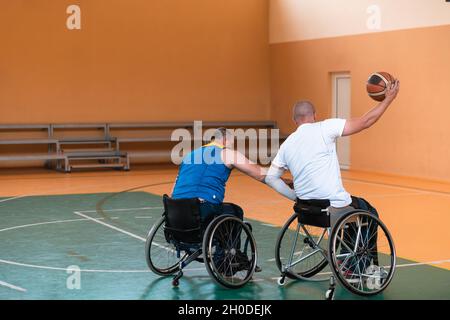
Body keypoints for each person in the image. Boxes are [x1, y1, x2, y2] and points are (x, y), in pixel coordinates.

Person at [265, 80, 400, 275]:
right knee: (367, 211)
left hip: (306, 210)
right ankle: (358, 268)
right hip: (332, 208)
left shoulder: (287, 144)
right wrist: (388, 100)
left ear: (295, 120)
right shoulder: (324, 127)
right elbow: (365, 121)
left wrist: (296, 197)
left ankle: (348, 260)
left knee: (355, 208)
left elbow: (271, 178)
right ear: (315, 115)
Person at [171, 127, 266, 272]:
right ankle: (228, 258)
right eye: (232, 143)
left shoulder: (190, 155)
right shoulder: (226, 153)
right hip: (201, 211)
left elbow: (173, 191)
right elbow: (259, 173)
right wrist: (282, 179)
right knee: (235, 211)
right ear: (225, 140)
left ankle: (225, 253)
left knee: (220, 211)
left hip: (176, 214)